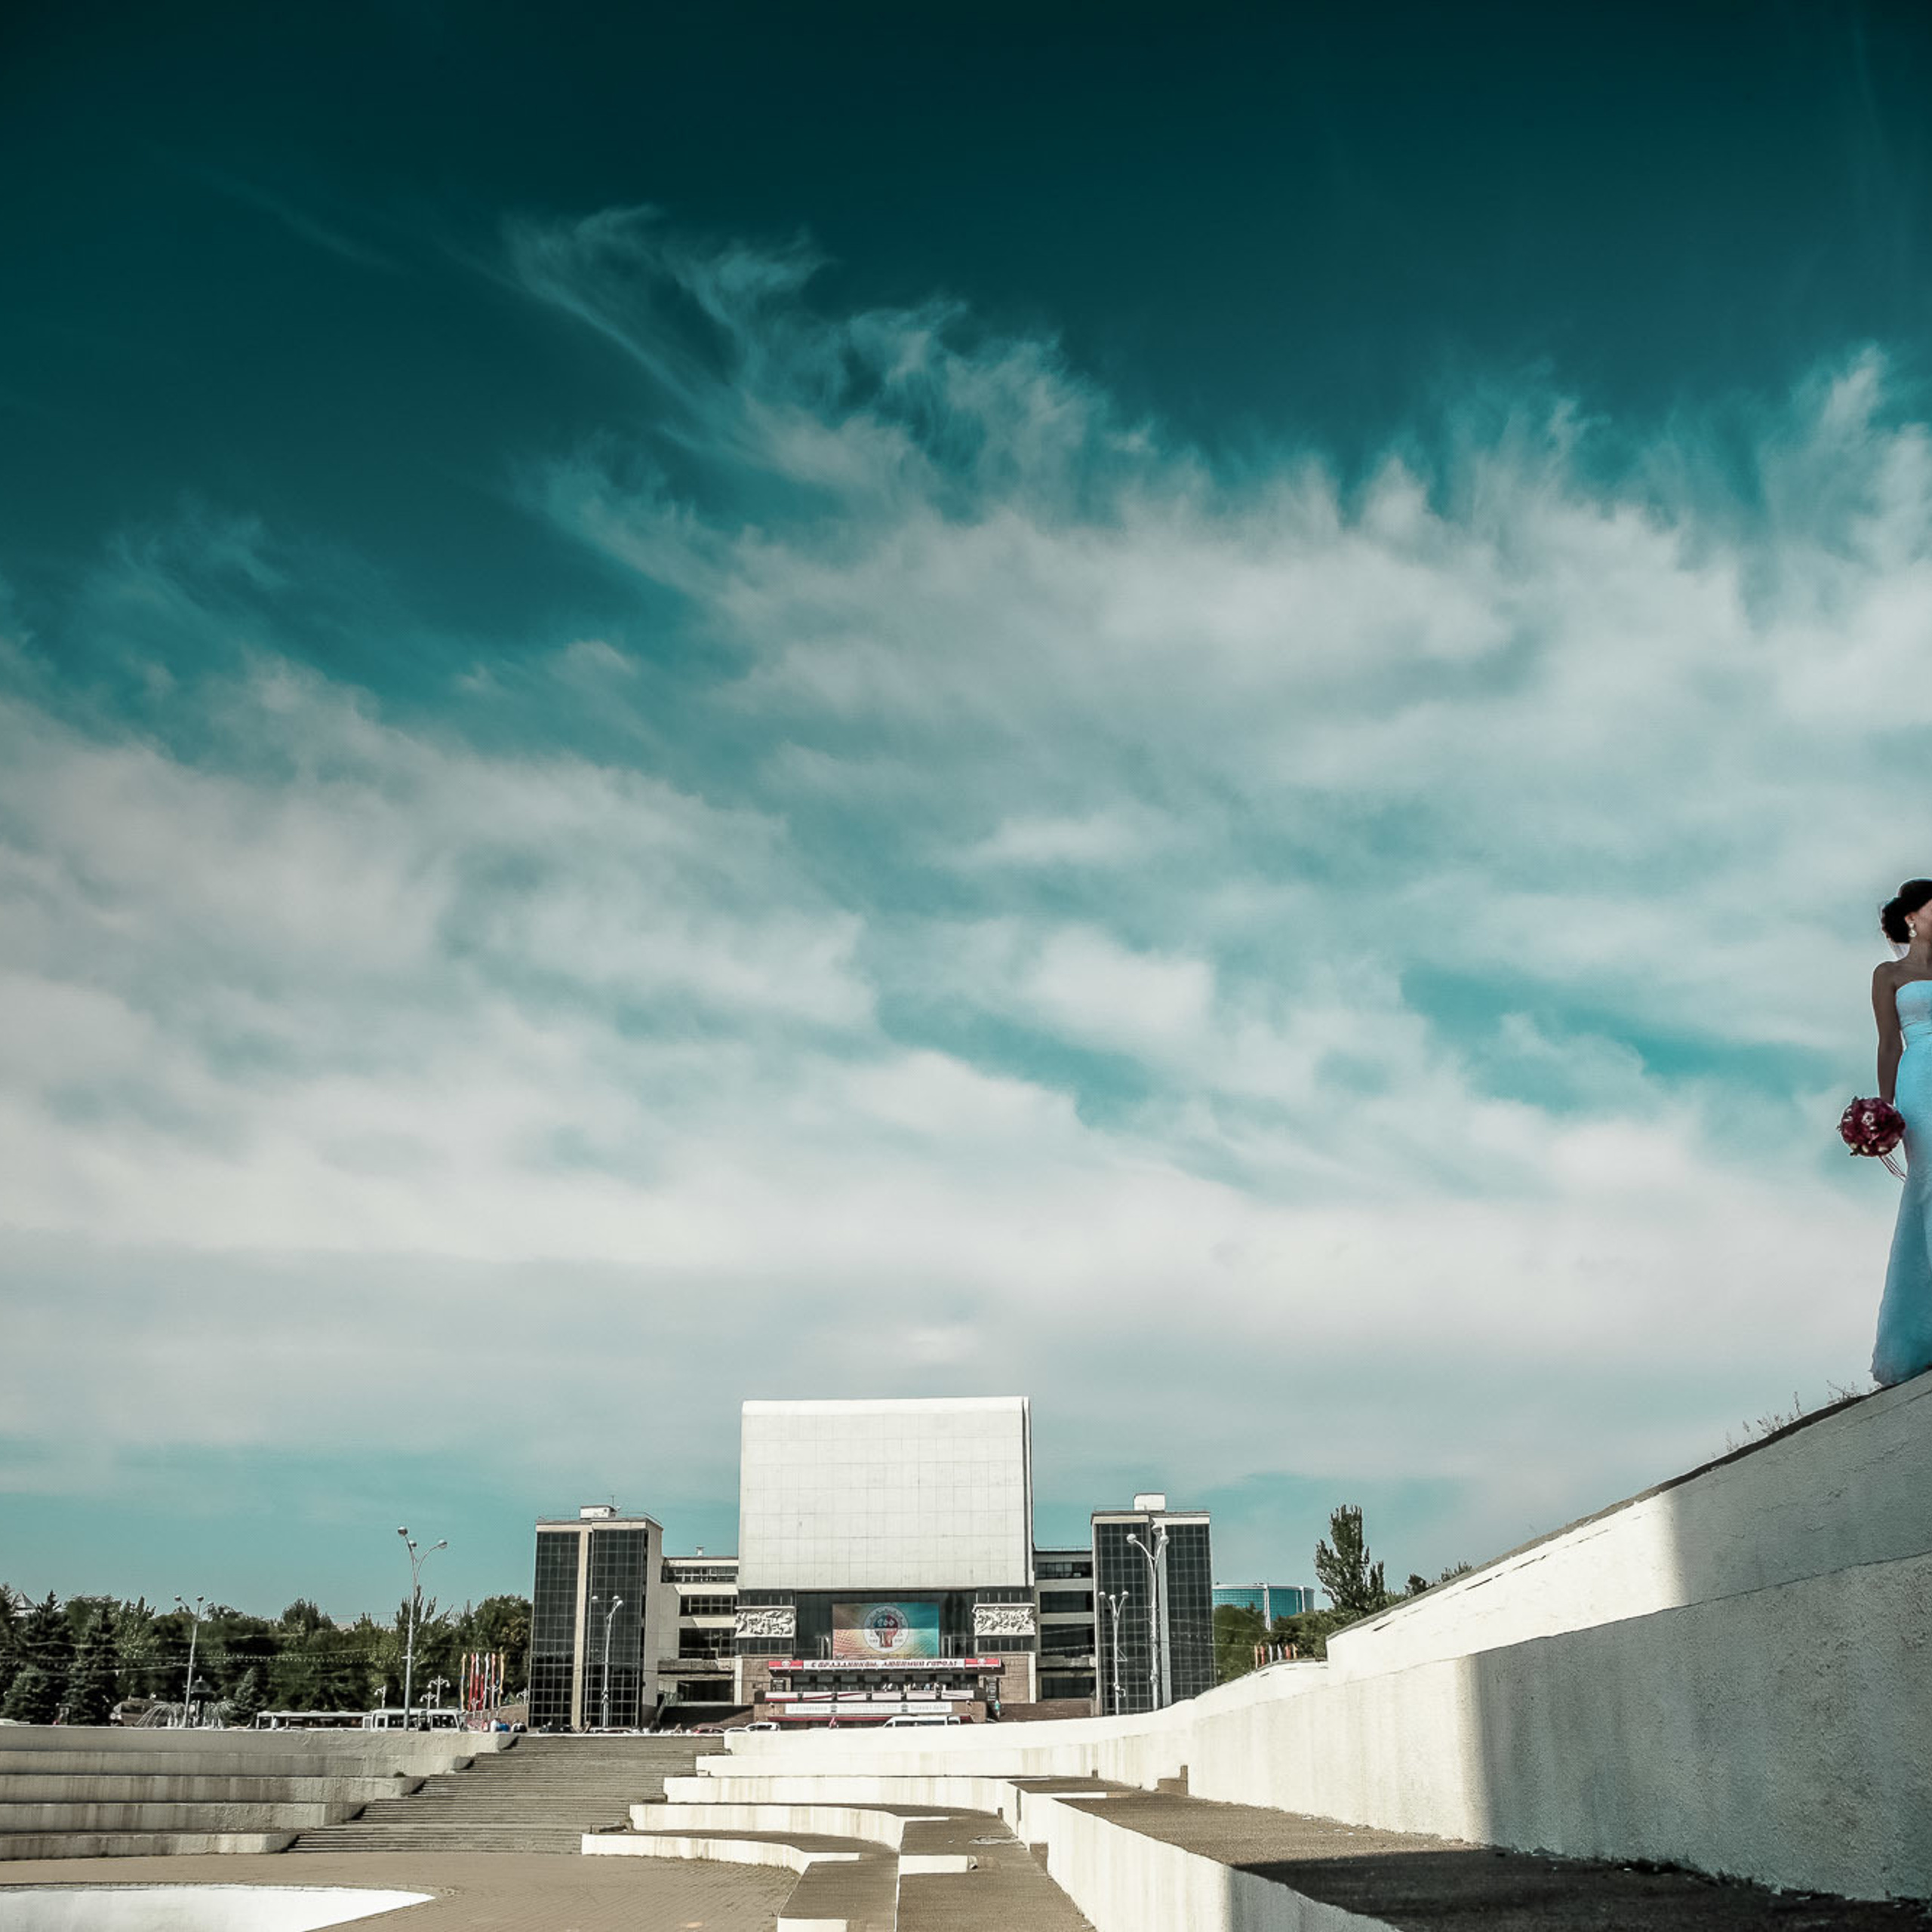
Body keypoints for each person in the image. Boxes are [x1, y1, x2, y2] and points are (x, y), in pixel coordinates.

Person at [1869, 880, 1932, 1386]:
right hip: (1920, 1082)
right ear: (1911, 917)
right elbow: (1889, 1043)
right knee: (1930, 1185)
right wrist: (1883, 1109)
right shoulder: (1888, 975)